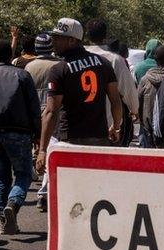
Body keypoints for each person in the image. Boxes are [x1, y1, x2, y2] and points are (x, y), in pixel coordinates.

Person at [35, 18, 123, 174]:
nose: (53, 41)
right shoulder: (104, 63)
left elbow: (51, 111)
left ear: (71, 41)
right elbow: (116, 101)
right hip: (99, 138)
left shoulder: (59, 70)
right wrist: (116, 126)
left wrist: (42, 149)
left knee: (72, 189)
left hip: (71, 139)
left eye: (57, 38)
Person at [0, 39, 41, 234]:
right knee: (23, 174)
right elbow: (34, 108)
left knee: (2, 177)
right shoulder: (23, 75)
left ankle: (3, 220)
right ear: (11, 56)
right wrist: (39, 135)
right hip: (20, 133)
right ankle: (13, 204)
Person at [85, 19, 138, 147]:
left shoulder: (78, 58)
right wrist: (135, 109)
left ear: (87, 35)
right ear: (105, 36)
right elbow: (128, 89)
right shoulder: (114, 60)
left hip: (79, 128)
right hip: (107, 127)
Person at [25, 33, 61, 212]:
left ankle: (42, 190)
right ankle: (44, 192)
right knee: (49, 150)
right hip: (54, 114)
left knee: (40, 149)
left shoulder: (29, 67)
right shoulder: (59, 65)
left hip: (34, 114)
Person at [138, 45, 164, 148]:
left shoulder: (145, 79)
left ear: (154, 58)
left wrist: (143, 122)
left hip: (149, 128)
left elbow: (139, 103)